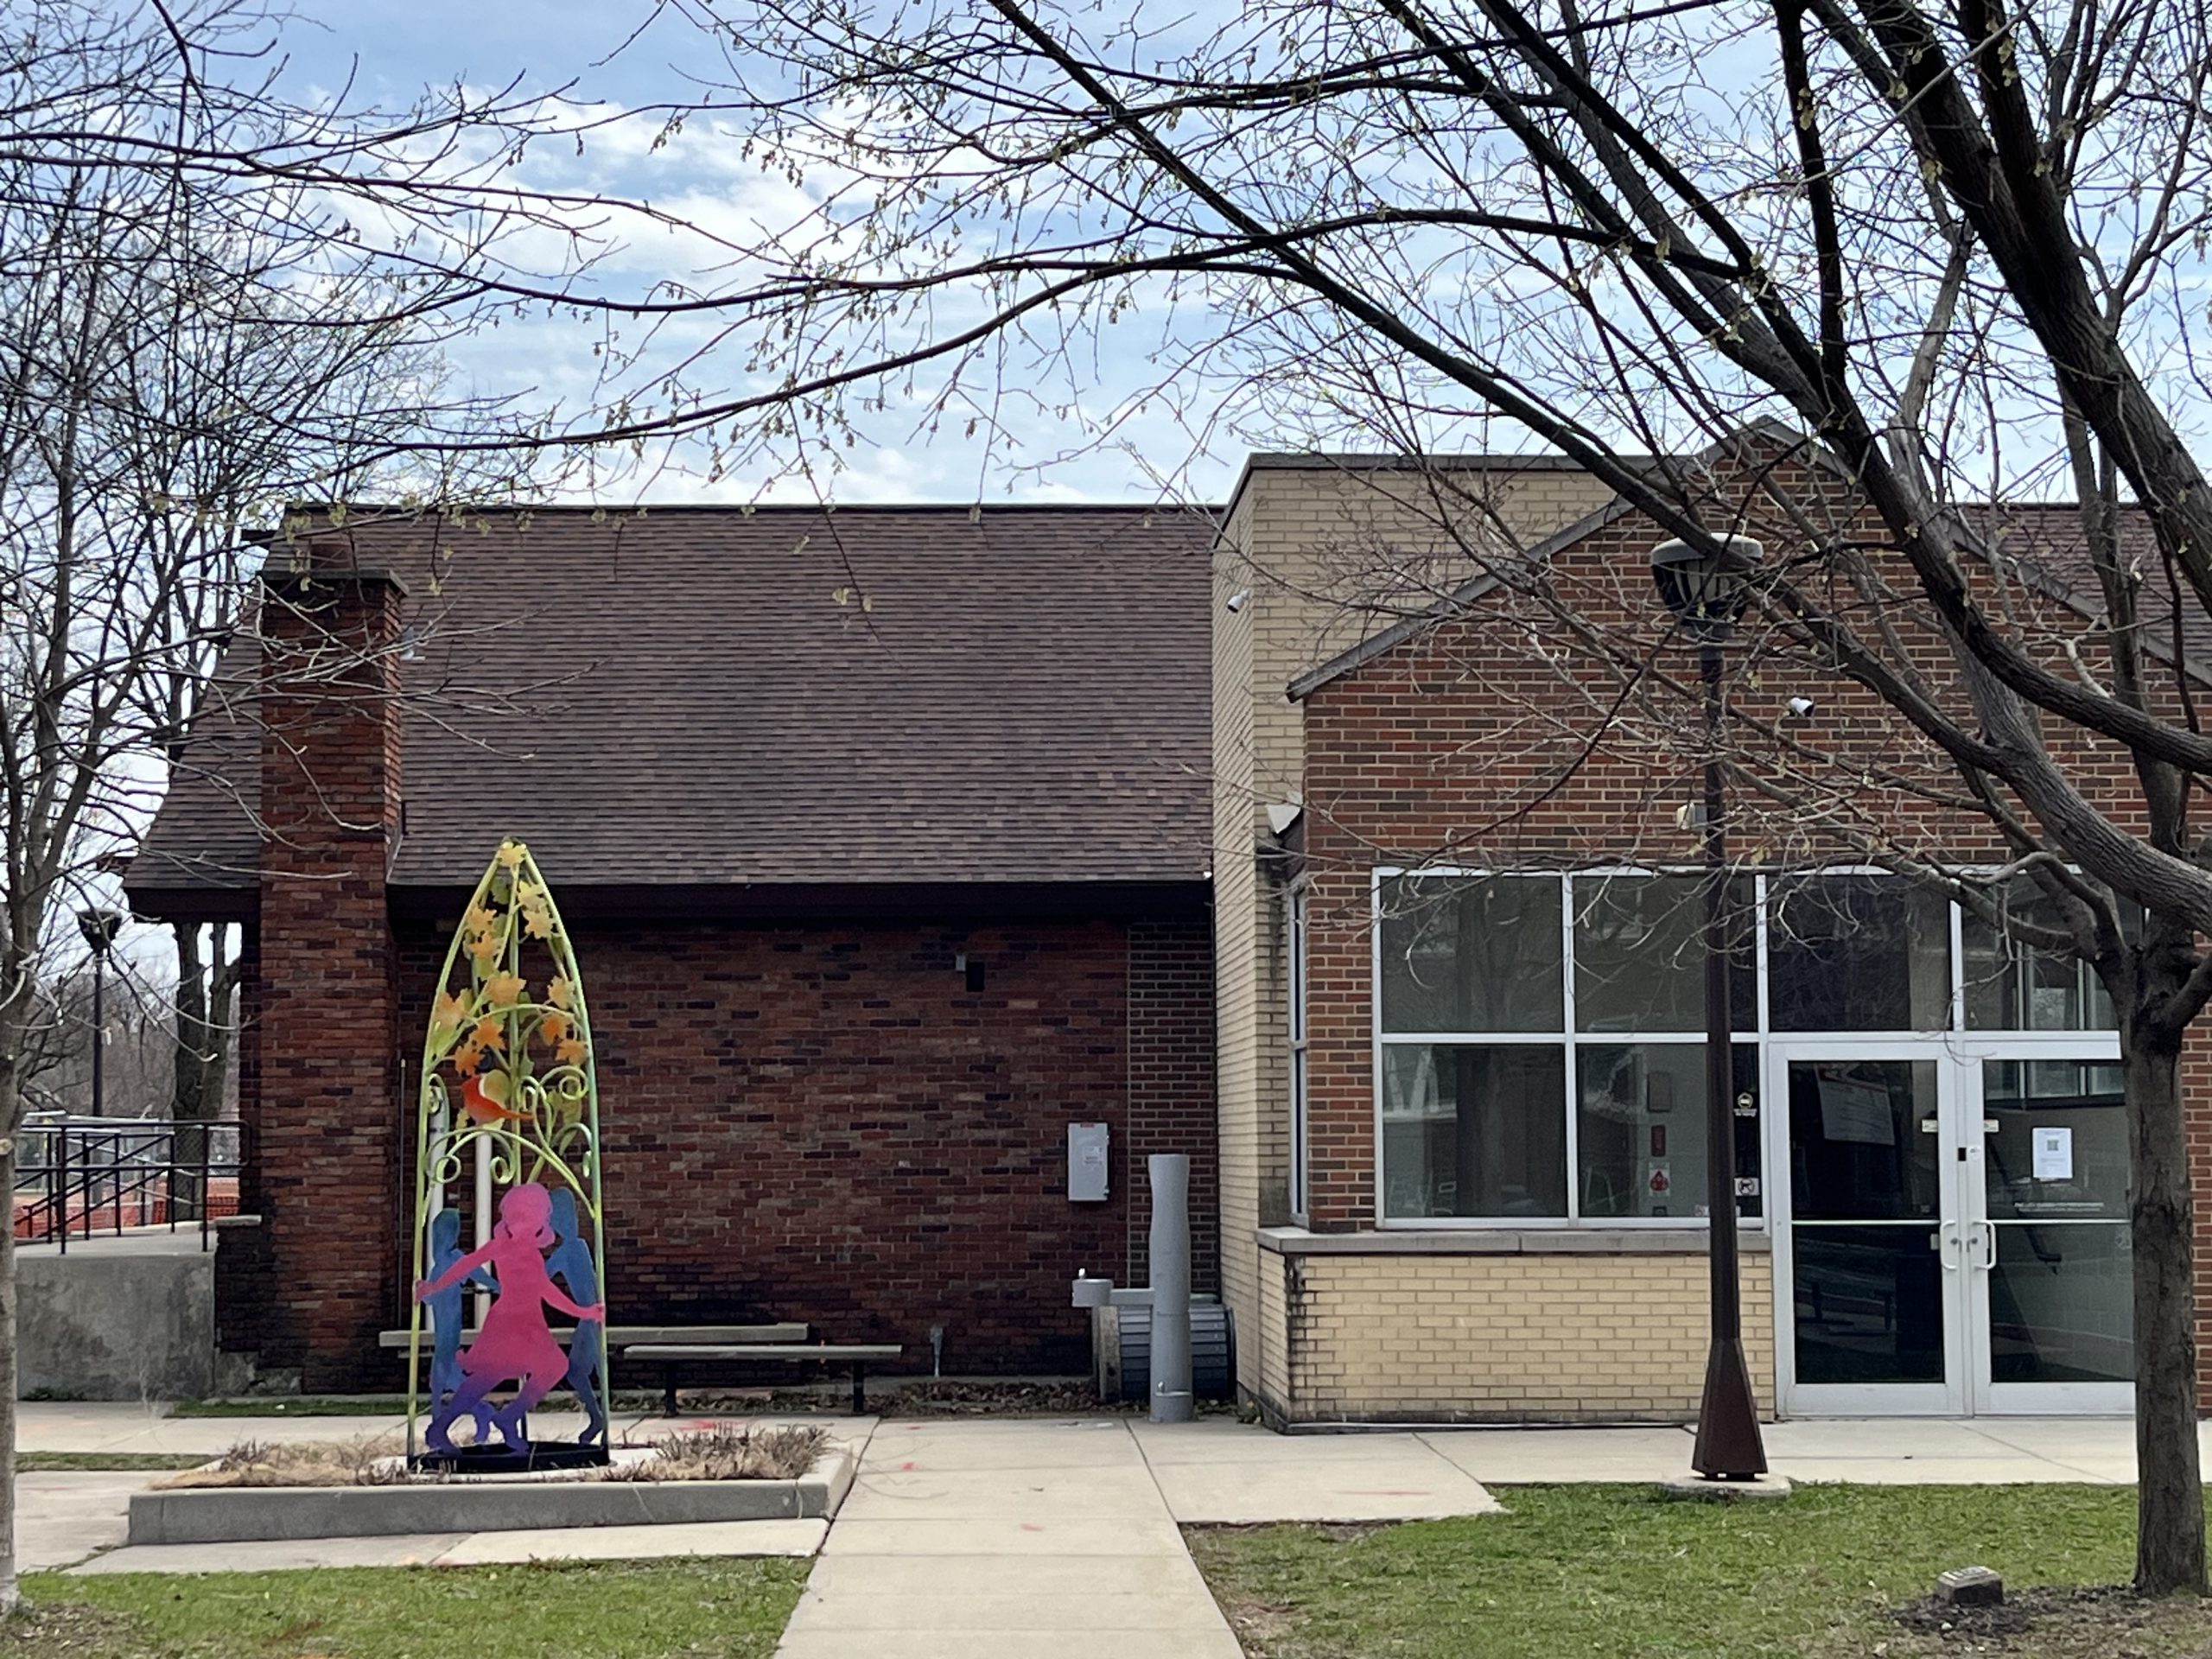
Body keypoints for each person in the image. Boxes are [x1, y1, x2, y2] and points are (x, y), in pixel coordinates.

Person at [415, 1182, 604, 1455]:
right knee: (495, 1375)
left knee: (543, 1368)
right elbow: (465, 1265)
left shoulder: (531, 1254)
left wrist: (583, 1311)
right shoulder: (502, 1247)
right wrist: (434, 1287)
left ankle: (502, 1417)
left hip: (529, 1322)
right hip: (510, 1322)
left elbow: (547, 1291)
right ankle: (465, 1423)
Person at [423, 1207, 499, 1440]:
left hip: (450, 1329)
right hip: (440, 1328)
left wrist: (502, 1287)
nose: (439, 1240)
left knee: (448, 1376)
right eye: (436, 1235)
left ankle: (475, 1413)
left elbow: (483, 1278)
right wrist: (422, 1291)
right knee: (438, 1379)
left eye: (443, 1235)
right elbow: (431, 1298)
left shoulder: (457, 1259)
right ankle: (440, 1425)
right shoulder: (438, 1266)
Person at [546, 1187, 608, 1446]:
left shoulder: (569, 1250)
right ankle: (597, 1418)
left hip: (589, 1317)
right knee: (579, 1372)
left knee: (585, 1372)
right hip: (591, 1316)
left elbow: (542, 1277)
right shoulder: (578, 1246)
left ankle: (599, 1420)